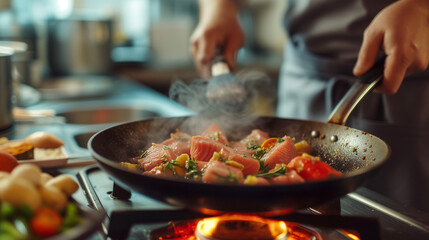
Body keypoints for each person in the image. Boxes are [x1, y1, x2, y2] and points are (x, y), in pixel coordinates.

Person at [189, 0, 429, 213]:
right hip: (305, 76)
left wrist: (421, 8)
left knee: (406, 217)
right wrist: (219, 8)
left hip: (409, 84)